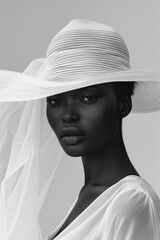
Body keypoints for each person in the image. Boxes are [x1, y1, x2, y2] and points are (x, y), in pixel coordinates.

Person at [0, 19, 160, 240]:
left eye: (88, 98)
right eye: (55, 101)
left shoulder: (132, 203)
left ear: (123, 104)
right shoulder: (91, 196)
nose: (68, 115)